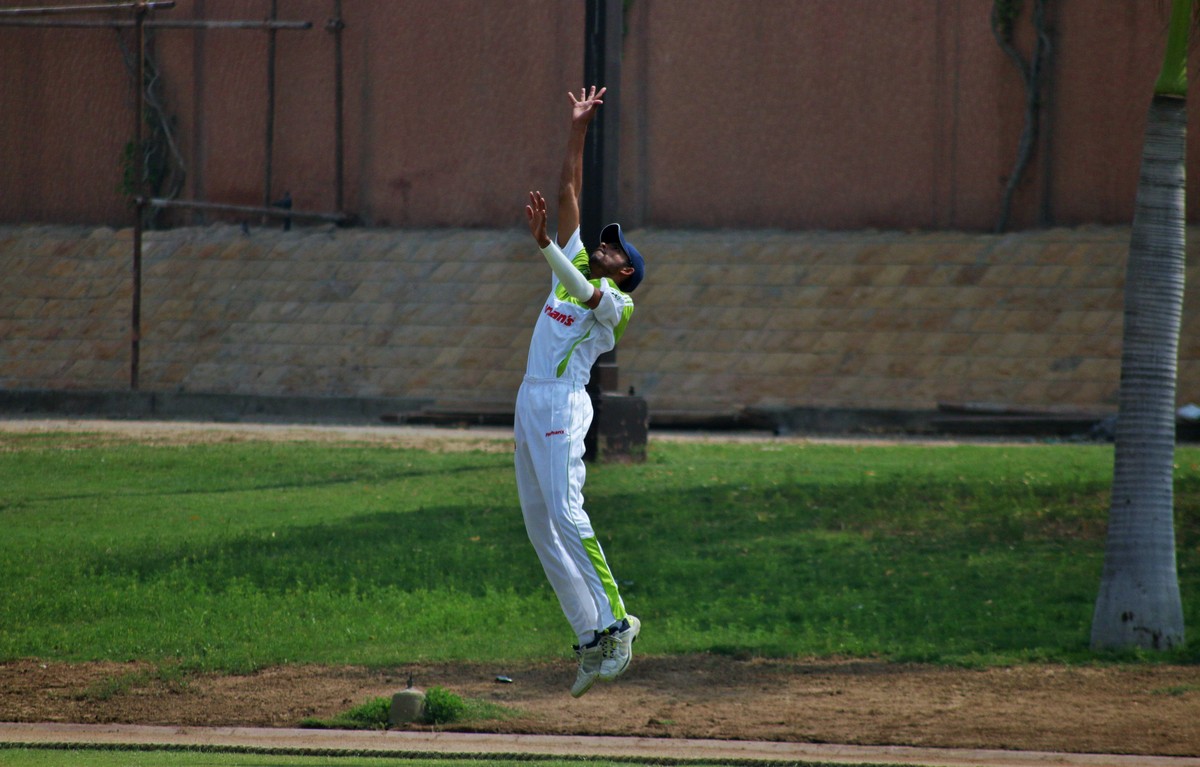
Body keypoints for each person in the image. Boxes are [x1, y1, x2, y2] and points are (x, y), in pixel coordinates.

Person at [516, 85, 645, 698]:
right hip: (529, 398)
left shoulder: (616, 302)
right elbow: (568, 192)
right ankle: (590, 637)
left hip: (563, 403)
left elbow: (585, 289)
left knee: (568, 514)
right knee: (540, 527)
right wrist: (578, 130)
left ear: (626, 271)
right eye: (605, 241)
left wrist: (545, 245)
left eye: (614, 249)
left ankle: (619, 623)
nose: (603, 246)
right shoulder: (571, 263)